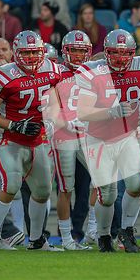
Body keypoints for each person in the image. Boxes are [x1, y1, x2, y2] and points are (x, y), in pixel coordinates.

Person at [75, 29, 140, 253]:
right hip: (99, 138)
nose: (120, 58)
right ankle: (104, 235)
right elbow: (83, 112)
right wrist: (111, 111)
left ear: (133, 53)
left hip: (128, 137)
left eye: (126, 54)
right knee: (108, 195)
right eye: (115, 53)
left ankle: (127, 230)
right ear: (106, 52)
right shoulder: (93, 72)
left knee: (135, 187)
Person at [0, 30, 63, 252]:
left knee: (43, 191)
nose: (32, 58)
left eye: (35, 53)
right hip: (9, 138)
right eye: (26, 53)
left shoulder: (52, 69)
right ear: (16, 53)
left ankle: (36, 240)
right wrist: (13, 124)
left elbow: (54, 98)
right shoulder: (4, 75)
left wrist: (52, 119)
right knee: (11, 186)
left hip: (38, 139)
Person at [48, 30, 93, 250]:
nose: (77, 55)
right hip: (63, 136)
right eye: (74, 50)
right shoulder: (55, 72)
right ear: (65, 51)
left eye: (81, 51)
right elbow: (48, 104)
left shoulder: (95, 72)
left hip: (88, 136)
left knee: (98, 183)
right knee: (65, 188)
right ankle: (66, 238)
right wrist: (64, 120)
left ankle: (92, 230)